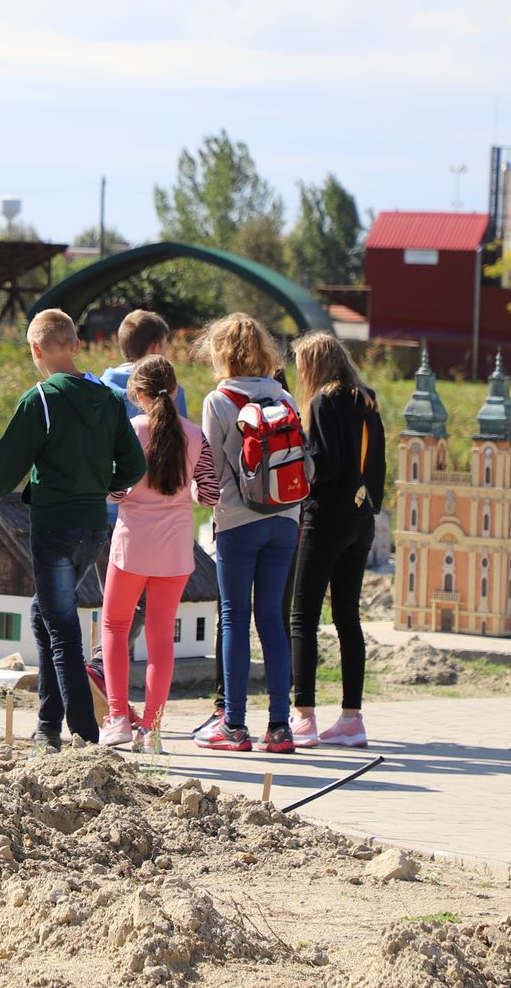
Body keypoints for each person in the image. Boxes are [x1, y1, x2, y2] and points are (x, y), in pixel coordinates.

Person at [0, 309, 146, 750]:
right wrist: (108, 486)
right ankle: (46, 724)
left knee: (61, 629)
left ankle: (82, 735)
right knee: (43, 616)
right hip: (93, 529)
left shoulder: (40, 401)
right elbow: (134, 464)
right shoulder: (108, 398)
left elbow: (4, 468)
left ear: (35, 349)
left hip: (54, 529)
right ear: (76, 345)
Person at [98, 355, 215, 749]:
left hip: (132, 547)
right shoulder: (196, 436)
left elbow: (114, 491)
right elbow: (210, 493)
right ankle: (152, 730)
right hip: (176, 552)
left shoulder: (131, 432)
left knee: (115, 627)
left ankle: (118, 718)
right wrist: (186, 492)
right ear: (176, 390)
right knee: (161, 638)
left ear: (137, 394)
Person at [196, 313, 300, 753]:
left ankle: (234, 725)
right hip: (286, 517)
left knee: (235, 617)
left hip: (238, 520)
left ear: (221, 353)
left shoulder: (219, 401)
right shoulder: (285, 398)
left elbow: (210, 470)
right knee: (272, 618)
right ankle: (280, 727)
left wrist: (206, 502)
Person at [287, 332, 385, 748]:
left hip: (325, 518)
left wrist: (301, 458)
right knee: (348, 616)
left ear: (313, 365)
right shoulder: (368, 400)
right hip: (362, 518)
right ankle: (351, 718)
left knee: (303, 616)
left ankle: (304, 716)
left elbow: (325, 466)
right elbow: (378, 464)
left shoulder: (322, 402)